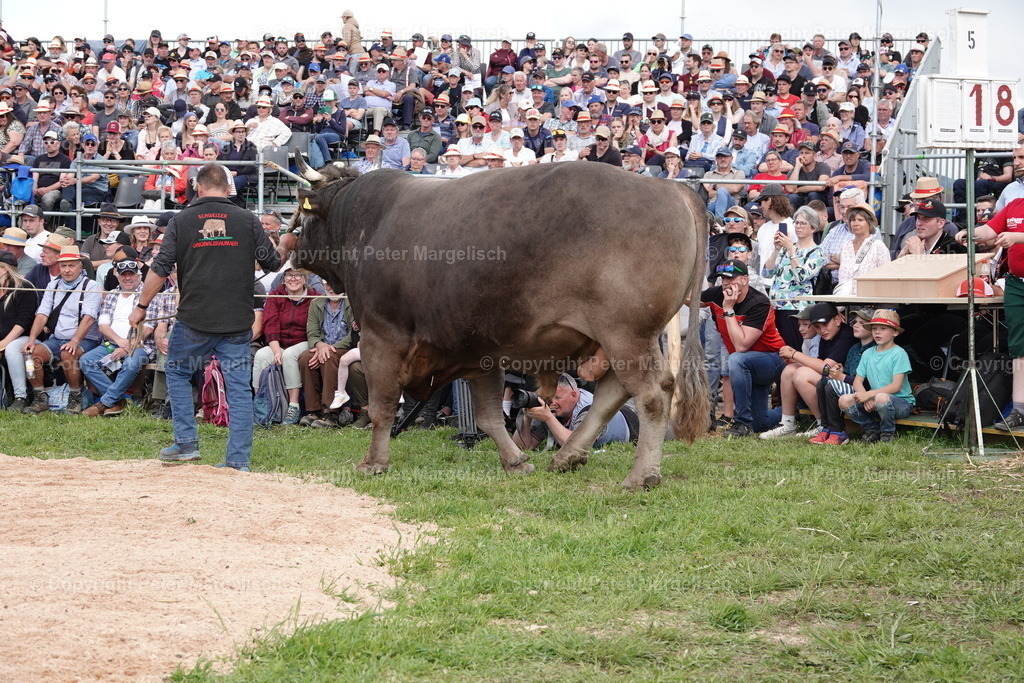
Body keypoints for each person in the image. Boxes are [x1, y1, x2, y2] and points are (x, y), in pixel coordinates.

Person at [130, 163, 281, 471]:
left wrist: (142, 306)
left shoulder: (181, 220)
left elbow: (160, 268)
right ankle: (238, 461)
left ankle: (186, 444)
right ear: (227, 188)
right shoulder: (248, 220)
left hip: (194, 319)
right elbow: (273, 263)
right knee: (239, 388)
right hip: (237, 320)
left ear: (198, 188)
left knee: (177, 371)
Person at [958, 196, 1024, 431]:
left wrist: (1018, 237)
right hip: (1017, 284)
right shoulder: (1015, 204)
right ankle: (1019, 410)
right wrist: (969, 232)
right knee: (1019, 347)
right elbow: (990, 229)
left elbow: (1011, 236)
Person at [700, 258, 785, 437]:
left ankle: (741, 422)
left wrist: (728, 309)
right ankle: (795, 411)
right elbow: (691, 301)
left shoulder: (759, 302)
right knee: (760, 423)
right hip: (747, 367)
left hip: (773, 360)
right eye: (723, 279)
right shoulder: (716, 294)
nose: (726, 284)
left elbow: (741, 345)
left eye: (731, 279)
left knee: (735, 359)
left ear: (744, 280)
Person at [20, 245, 103, 414]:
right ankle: (39, 395)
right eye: (63, 265)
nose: (67, 270)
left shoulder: (91, 286)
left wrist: (74, 341)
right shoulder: (53, 284)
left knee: (68, 353)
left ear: (80, 266)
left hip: (86, 339)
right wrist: (31, 339)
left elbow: (89, 318)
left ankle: (75, 396)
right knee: (29, 356)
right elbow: (42, 314)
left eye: (71, 265)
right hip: (57, 339)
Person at [760, 302, 856, 440]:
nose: (822, 330)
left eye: (825, 325)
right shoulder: (827, 336)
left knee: (801, 374)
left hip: (848, 386)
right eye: (817, 327)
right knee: (790, 370)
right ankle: (788, 424)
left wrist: (794, 354)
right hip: (832, 385)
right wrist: (796, 361)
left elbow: (825, 368)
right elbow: (820, 365)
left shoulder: (846, 335)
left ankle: (823, 425)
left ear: (837, 319)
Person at [79, 259, 157, 416]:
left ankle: (106, 402)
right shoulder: (112, 295)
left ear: (139, 275)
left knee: (132, 362)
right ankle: (118, 399)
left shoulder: (149, 295)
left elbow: (149, 327)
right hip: (112, 343)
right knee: (85, 361)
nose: (127, 278)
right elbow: (103, 324)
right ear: (118, 276)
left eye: (131, 274)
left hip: (140, 345)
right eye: (123, 275)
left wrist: (128, 346)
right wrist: (120, 342)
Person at [838, 310, 915, 443]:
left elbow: (896, 386)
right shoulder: (867, 353)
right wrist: (865, 398)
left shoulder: (899, 353)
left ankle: (887, 433)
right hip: (875, 400)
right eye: (874, 329)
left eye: (883, 328)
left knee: (881, 397)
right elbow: (857, 382)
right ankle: (872, 429)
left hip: (901, 403)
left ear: (895, 332)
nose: (877, 332)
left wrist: (869, 395)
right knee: (844, 400)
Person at [251, 265, 314, 424]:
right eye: (289, 276)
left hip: (304, 342)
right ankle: (261, 403)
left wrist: (281, 353)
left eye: (298, 275)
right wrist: (276, 350)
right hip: (278, 342)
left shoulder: (315, 297)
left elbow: (314, 327)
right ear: (283, 279)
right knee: (261, 356)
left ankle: (293, 406)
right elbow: (270, 324)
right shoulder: (275, 295)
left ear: (305, 279)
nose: (293, 279)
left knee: (289, 355)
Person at [761, 206, 827, 347]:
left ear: (813, 228)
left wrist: (791, 250)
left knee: (792, 347)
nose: (798, 226)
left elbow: (802, 276)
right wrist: (777, 249)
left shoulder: (817, 252)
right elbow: (767, 273)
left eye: (803, 223)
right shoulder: (786, 248)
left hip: (796, 307)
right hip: (776, 305)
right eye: (796, 222)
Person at [809, 308, 876, 445]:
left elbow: (869, 384)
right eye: (855, 322)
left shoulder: (875, 350)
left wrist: (841, 377)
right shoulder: (854, 349)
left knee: (830, 385)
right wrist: (840, 371)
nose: (855, 325)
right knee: (823, 381)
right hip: (854, 389)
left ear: (872, 327)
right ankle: (826, 427)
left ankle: (838, 431)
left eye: (862, 323)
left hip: (868, 392)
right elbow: (850, 375)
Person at [512, 373, 630, 450]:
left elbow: (576, 445)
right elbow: (523, 446)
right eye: (549, 397)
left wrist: (549, 418)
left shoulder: (589, 408)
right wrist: (527, 418)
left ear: (573, 395)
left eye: (557, 397)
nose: (552, 402)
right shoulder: (551, 406)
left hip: (631, 420)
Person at [298, 284, 358, 428]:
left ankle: (331, 413)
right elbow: (312, 332)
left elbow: (352, 334)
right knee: (304, 358)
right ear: (323, 285)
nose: (332, 288)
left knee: (329, 358)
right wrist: (319, 345)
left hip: (344, 347)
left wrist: (330, 348)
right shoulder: (316, 303)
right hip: (322, 347)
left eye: (334, 284)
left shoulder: (351, 302)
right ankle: (313, 410)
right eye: (328, 285)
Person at [0, 251, 37, 412]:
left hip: (25, 338)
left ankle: (20, 397)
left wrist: (2, 344)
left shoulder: (24, 287)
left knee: (11, 348)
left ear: (4, 269)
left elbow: (24, 321)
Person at [836, 202, 889, 296]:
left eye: (860, 220)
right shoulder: (846, 246)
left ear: (869, 223)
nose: (855, 223)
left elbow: (886, 276)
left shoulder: (878, 246)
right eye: (853, 220)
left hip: (869, 299)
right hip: (844, 299)